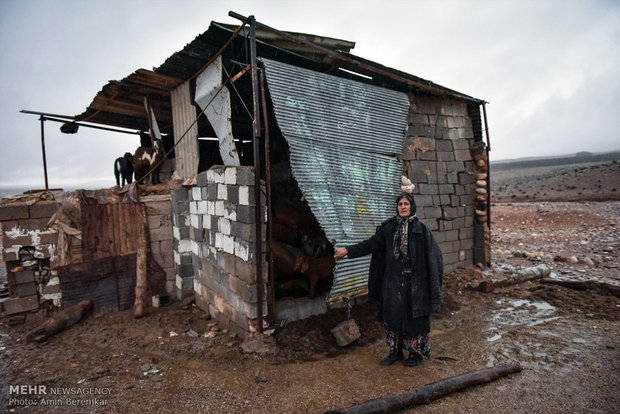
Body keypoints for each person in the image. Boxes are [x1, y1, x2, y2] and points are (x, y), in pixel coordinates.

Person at [334, 193, 443, 367]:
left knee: (414, 319)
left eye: (406, 203)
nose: (403, 207)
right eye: (400, 204)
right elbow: (370, 244)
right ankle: (395, 352)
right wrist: (347, 251)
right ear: (397, 207)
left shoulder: (421, 230)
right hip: (392, 282)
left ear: (412, 206)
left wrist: (433, 285)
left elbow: (435, 258)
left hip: (415, 284)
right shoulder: (390, 228)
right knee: (393, 318)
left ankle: (415, 354)